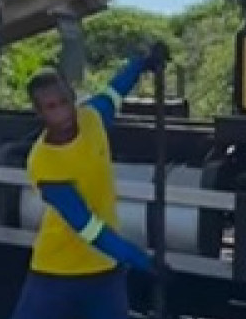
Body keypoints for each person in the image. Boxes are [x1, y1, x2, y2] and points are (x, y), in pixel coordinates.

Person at [9, 42, 171, 319]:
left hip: (104, 272)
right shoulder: (44, 162)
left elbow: (114, 91)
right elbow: (87, 227)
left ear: (72, 97)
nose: (62, 113)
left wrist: (142, 62)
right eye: (51, 107)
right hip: (55, 273)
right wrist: (141, 260)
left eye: (64, 102)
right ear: (39, 113)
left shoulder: (91, 119)